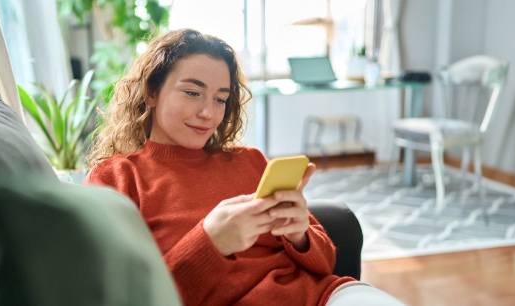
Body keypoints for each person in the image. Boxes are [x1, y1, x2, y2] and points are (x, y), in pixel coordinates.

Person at [84, 29, 404, 306]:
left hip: (323, 297)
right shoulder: (116, 178)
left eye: (221, 99)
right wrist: (210, 243)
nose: (208, 113)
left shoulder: (249, 160)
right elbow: (126, 298)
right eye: (193, 93)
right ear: (152, 92)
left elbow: (327, 264)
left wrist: (300, 235)